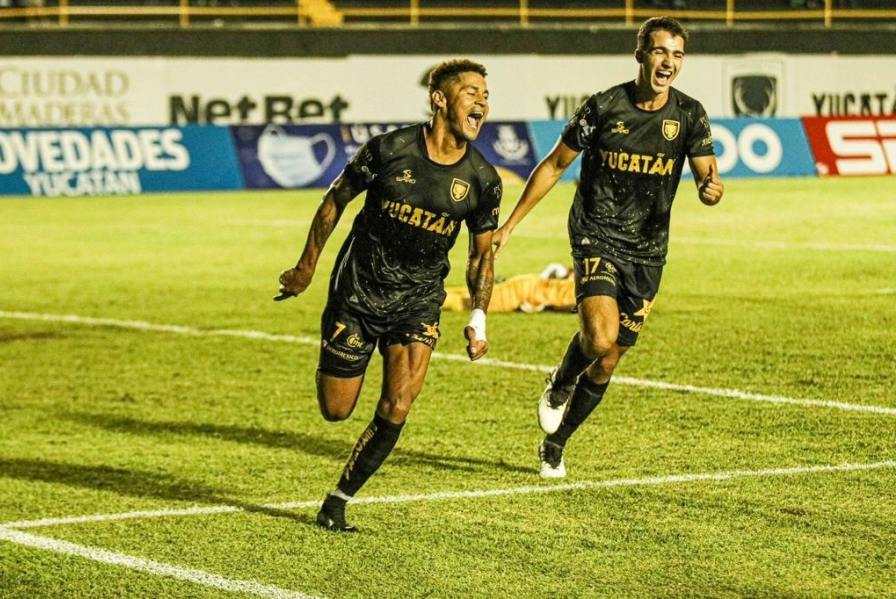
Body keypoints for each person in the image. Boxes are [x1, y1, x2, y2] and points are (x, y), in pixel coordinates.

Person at [275, 58, 502, 531]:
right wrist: (305, 268)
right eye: (471, 92)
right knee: (336, 410)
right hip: (359, 292)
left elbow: (481, 256)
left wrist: (478, 318)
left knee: (398, 404)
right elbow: (336, 199)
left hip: (418, 300)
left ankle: (337, 502)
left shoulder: (483, 179)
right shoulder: (389, 150)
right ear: (440, 99)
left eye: (485, 94)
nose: (481, 101)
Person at [492, 16, 724, 478]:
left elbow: (708, 177)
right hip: (596, 233)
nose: (669, 62)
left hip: (648, 248)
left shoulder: (689, 113)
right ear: (640, 54)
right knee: (598, 338)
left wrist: (710, 190)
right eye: (660, 51)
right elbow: (554, 165)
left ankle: (556, 443)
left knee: (611, 356)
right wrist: (510, 225)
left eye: (677, 55)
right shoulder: (604, 107)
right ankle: (560, 382)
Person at [441, 262, 576, 313]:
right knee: (471, 303)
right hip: (526, 294)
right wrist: (545, 306)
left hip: (530, 281)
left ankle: (433, 292)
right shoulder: (579, 298)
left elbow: (564, 270)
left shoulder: (581, 280)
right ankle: (432, 299)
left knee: (475, 292)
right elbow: (565, 307)